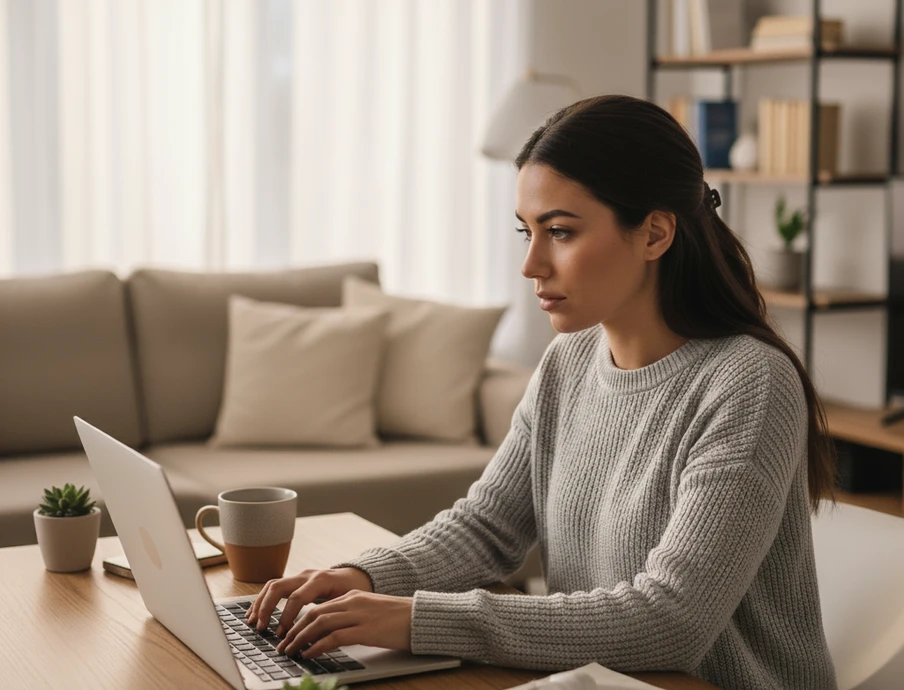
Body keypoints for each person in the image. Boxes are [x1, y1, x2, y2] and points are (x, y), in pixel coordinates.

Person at [246, 94, 838, 689]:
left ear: (655, 233)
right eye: (526, 232)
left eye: (559, 232)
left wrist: (415, 620)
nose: (531, 264)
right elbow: (487, 528)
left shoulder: (748, 383)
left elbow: (671, 621)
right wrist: (363, 579)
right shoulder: (569, 360)